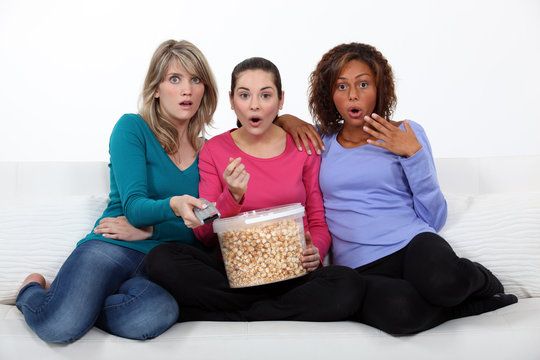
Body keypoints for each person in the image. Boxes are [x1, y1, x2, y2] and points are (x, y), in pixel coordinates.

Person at [275, 42, 518, 334]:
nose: (353, 94)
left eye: (363, 84)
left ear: (379, 89)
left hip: (414, 243)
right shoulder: (320, 140)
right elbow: (260, 124)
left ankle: (481, 279)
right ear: (329, 94)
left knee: (444, 284)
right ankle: (468, 308)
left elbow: (434, 218)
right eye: (341, 86)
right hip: (360, 264)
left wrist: (413, 155)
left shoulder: (406, 133)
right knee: (401, 315)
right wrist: (284, 118)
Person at [15, 39, 218, 343]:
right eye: (175, 79)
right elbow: (134, 207)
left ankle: (85, 306)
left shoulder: (212, 151)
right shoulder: (132, 128)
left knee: (153, 316)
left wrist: (150, 231)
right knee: (59, 326)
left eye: (195, 79)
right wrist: (173, 208)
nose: (186, 89)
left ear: (205, 89)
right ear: (156, 89)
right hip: (112, 245)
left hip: (161, 262)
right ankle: (31, 289)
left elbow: (204, 230)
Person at [146, 57, 363, 322]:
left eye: (265, 95)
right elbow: (203, 233)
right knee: (162, 258)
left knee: (348, 283)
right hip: (234, 272)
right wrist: (232, 196)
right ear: (231, 99)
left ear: (281, 100)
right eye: (244, 95)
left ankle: (240, 311)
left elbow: (317, 220)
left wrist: (315, 249)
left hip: (291, 272)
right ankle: (270, 308)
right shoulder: (215, 149)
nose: (255, 105)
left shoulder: (302, 147)